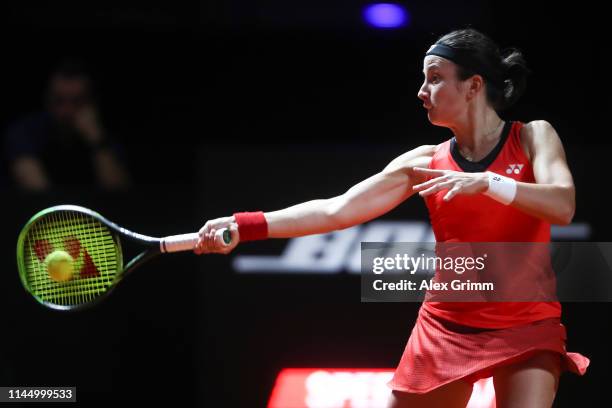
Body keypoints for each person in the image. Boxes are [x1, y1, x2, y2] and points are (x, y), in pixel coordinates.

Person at [193, 28, 589, 407]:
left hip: (527, 324)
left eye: (435, 78)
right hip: (448, 325)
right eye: (423, 79)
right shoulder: (425, 162)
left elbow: (562, 205)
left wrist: (487, 183)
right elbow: (338, 209)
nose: (421, 92)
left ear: (474, 85)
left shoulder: (533, 137)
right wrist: (244, 225)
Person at [3, 59, 130, 191]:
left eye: (77, 101)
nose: (67, 111)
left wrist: (96, 140)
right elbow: (37, 194)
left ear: (92, 104)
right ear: (47, 101)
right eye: (59, 101)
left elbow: (118, 195)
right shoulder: (24, 131)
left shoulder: (104, 138)